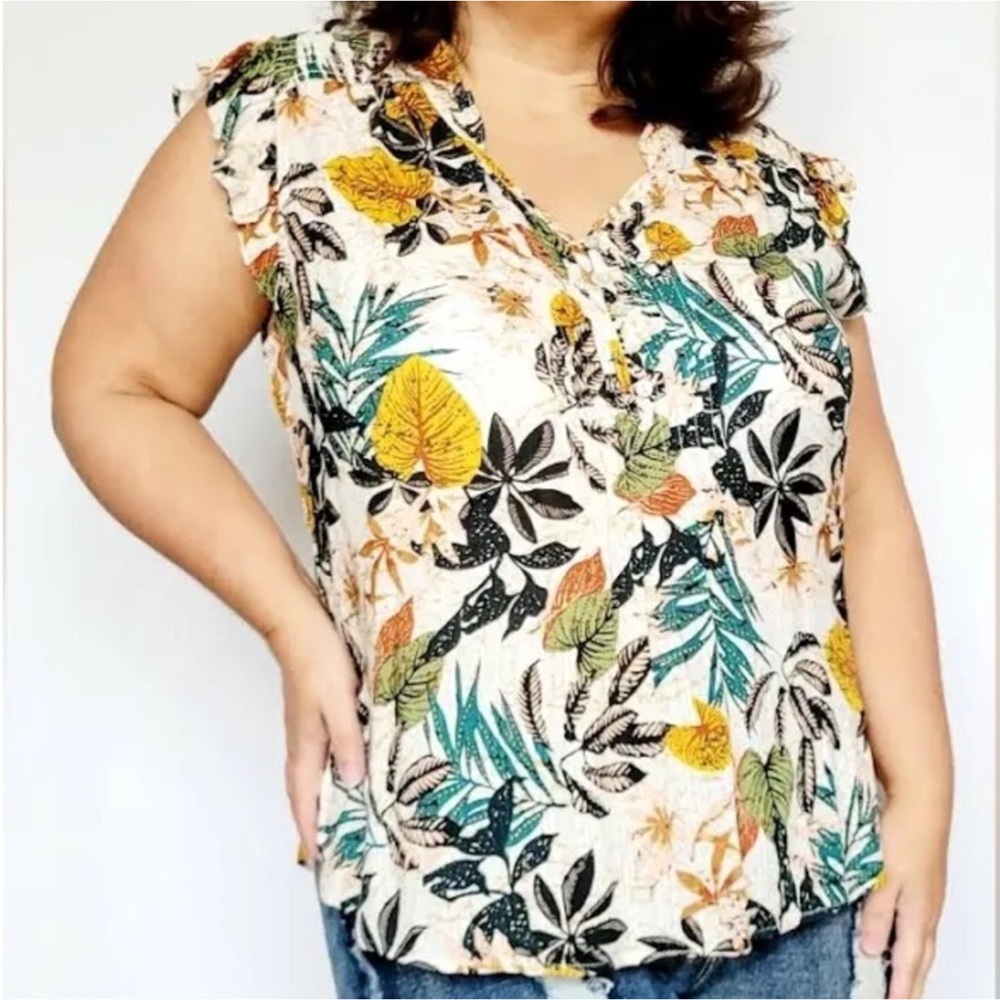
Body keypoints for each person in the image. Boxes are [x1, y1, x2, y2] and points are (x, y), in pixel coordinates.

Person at [51, 2, 953, 998]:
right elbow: (115, 385)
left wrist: (924, 787)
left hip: (791, 893)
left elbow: (863, 499)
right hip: (469, 903)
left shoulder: (770, 188)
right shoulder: (294, 117)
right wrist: (292, 623)